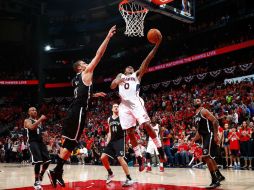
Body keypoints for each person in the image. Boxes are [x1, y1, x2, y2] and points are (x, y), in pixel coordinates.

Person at [47, 25, 116, 188]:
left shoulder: (77, 79)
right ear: (80, 67)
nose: (88, 64)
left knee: (69, 145)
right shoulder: (86, 72)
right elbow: (99, 55)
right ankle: (56, 171)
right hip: (78, 112)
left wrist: (92, 95)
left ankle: (57, 172)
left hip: (74, 111)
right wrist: (107, 37)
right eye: (85, 63)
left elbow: (80, 94)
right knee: (70, 144)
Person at [110, 32, 166, 172]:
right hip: (124, 105)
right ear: (124, 71)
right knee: (129, 132)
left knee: (146, 124)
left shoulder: (137, 75)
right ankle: (139, 157)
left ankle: (160, 149)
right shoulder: (120, 75)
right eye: (127, 67)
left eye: (131, 67)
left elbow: (148, 58)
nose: (130, 68)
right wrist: (117, 81)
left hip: (135, 102)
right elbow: (111, 86)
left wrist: (157, 45)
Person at [192, 99, 225, 189]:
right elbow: (199, 132)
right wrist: (193, 140)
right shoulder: (196, 116)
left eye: (199, 100)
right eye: (195, 100)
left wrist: (215, 135)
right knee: (209, 157)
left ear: (201, 103)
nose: (197, 101)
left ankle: (215, 180)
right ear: (193, 103)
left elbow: (215, 121)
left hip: (209, 135)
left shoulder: (204, 111)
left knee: (206, 157)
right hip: (204, 137)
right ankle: (219, 175)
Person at [100, 103, 133, 186]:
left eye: (118, 107)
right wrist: (107, 141)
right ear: (112, 109)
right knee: (103, 157)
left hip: (120, 140)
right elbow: (110, 132)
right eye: (114, 106)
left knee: (120, 158)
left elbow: (128, 129)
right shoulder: (109, 119)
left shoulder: (122, 117)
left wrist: (127, 142)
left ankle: (129, 178)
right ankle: (110, 173)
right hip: (112, 141)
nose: (116, 108)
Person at [24, 107, 51, 190]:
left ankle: (41, 175)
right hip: (33, 142)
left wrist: (45, 135)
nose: (34, 111)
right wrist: (40, 119)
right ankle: (36, 182)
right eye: (32, 110)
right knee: (38, 161)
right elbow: (31, 127)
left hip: (40, 142)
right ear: (29, 112)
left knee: (48, 160)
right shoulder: (27, 120)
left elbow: (39, 132)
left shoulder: (39, 122)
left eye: (35, 110)